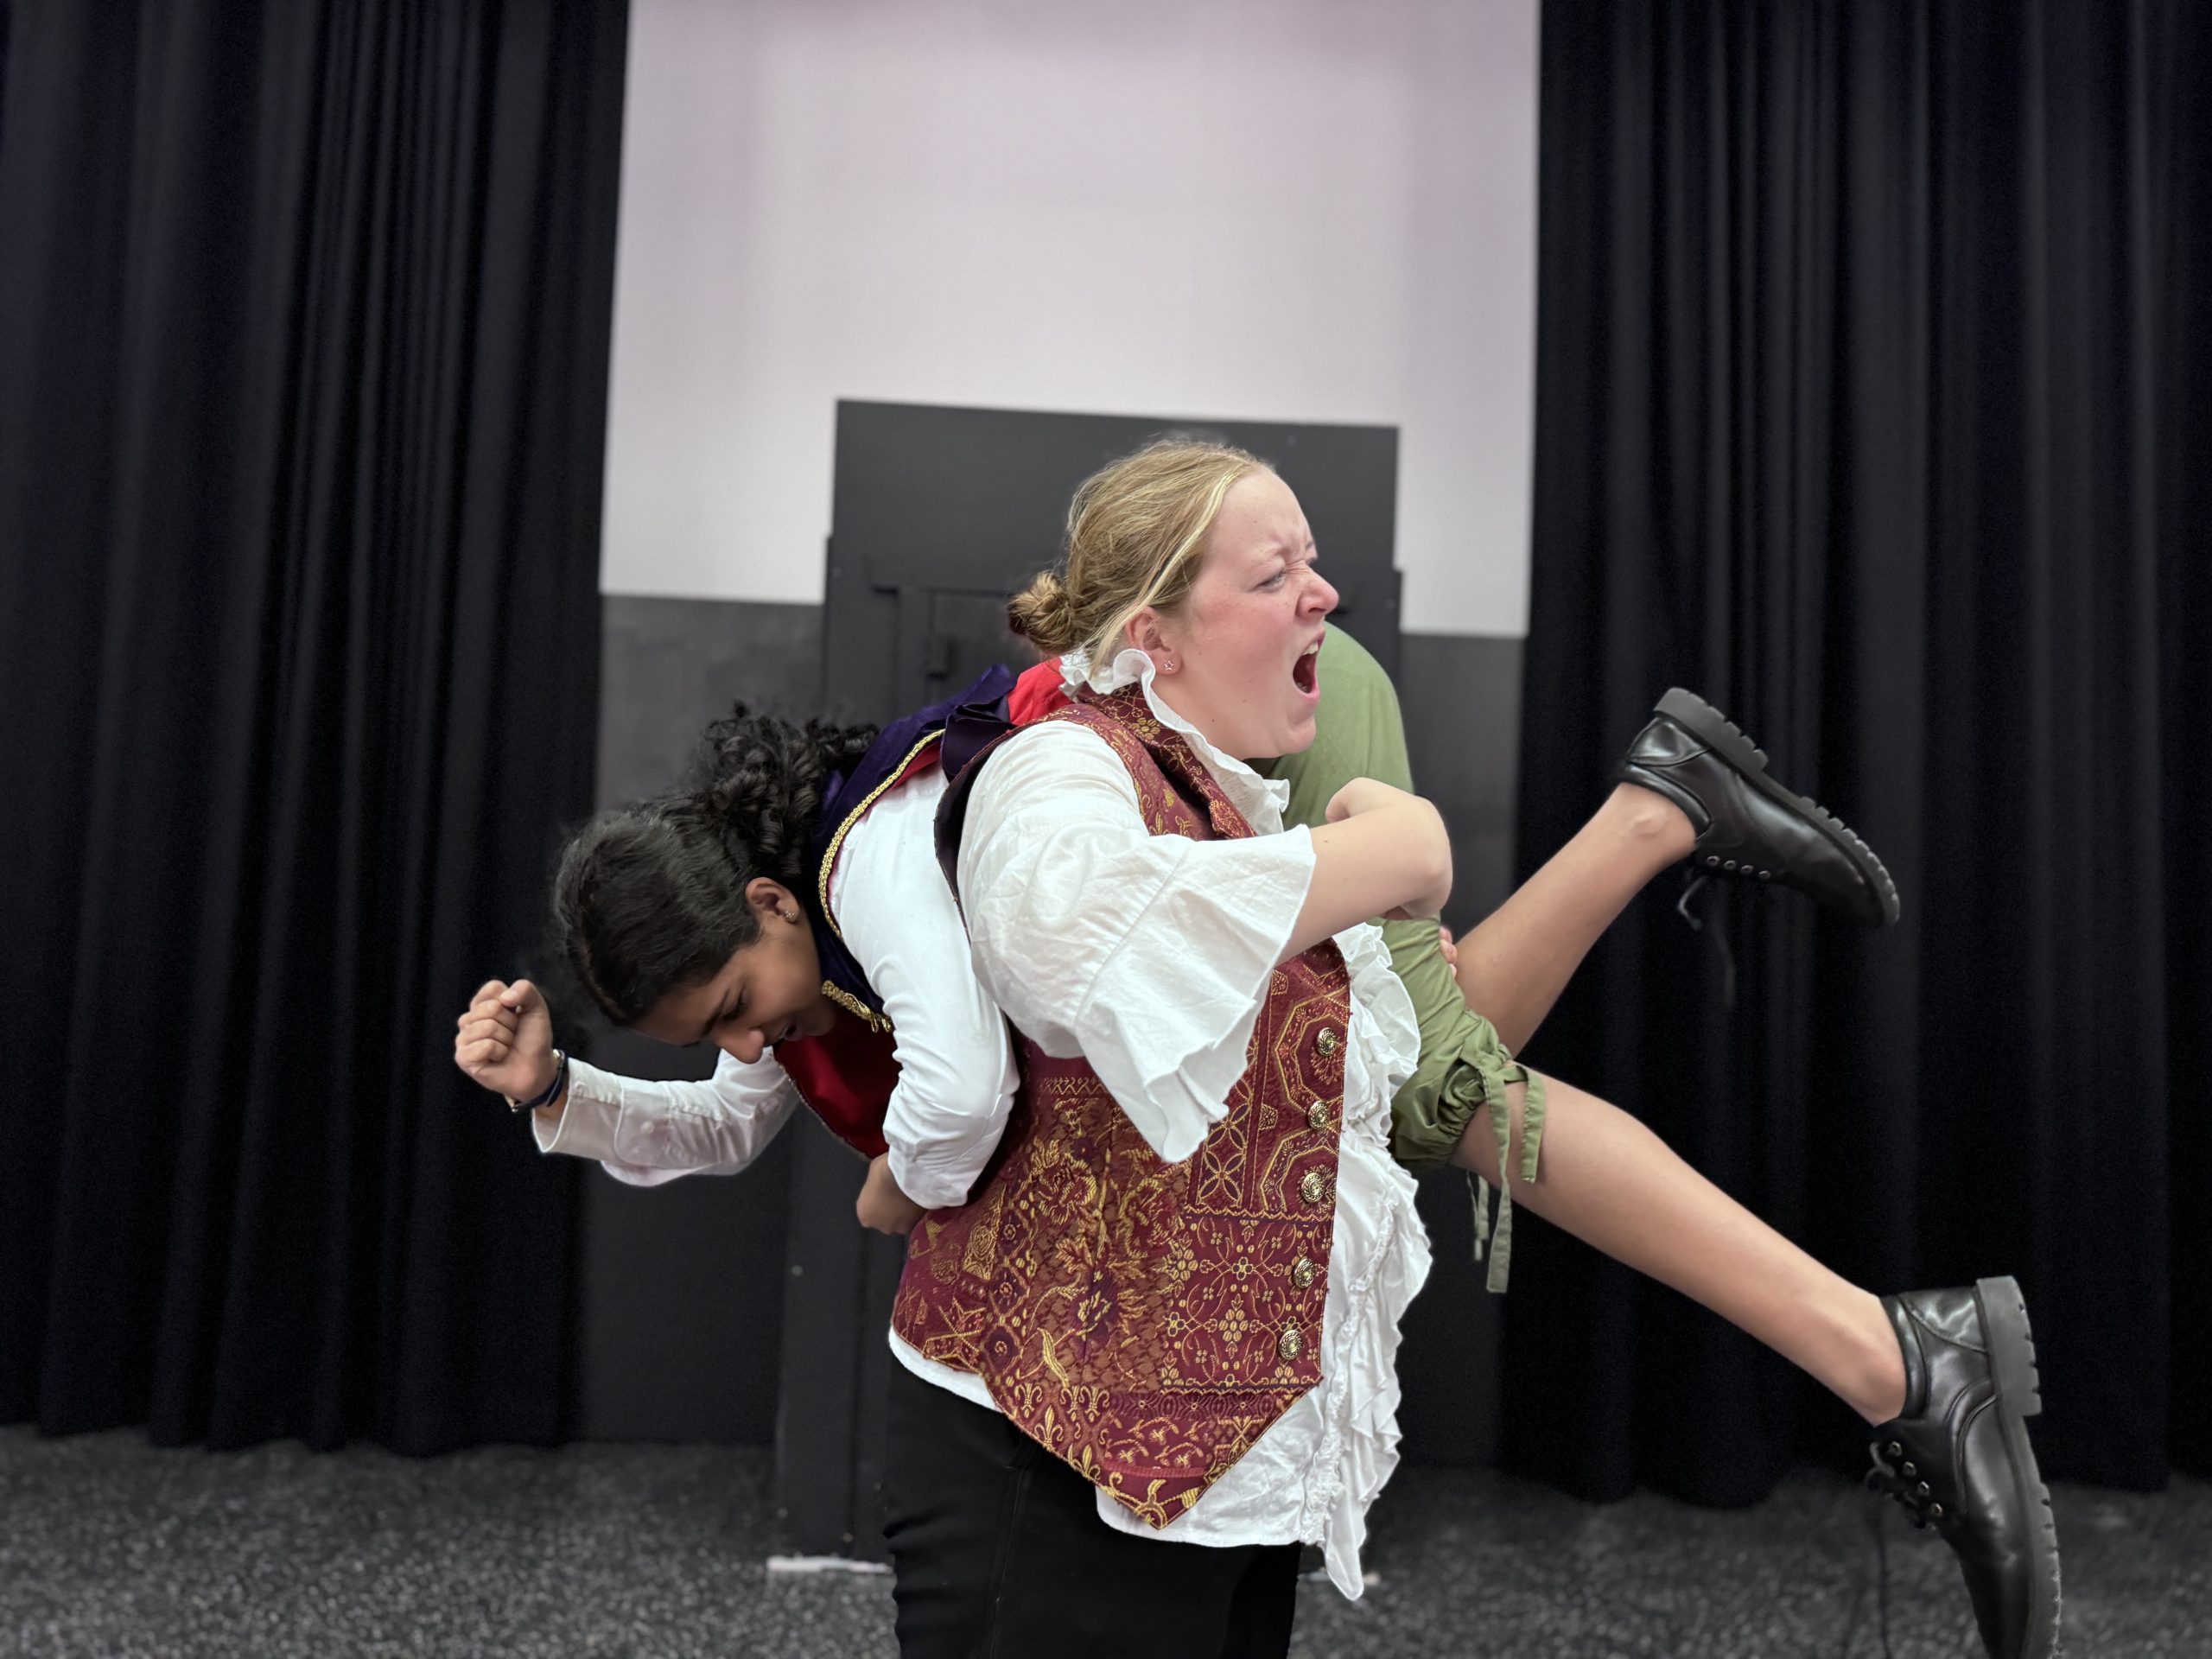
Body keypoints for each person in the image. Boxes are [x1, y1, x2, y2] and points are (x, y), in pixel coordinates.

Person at [879, 438, 2056, 1659]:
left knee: (1418, 1074)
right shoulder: (1063, 761)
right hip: (1055, 1461)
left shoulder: (1233, 778)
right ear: (1150, 636)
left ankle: (1664, 824)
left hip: (1188, 1473)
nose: (1323, 592)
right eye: (1277, 572)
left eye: (1313, 562)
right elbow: (1077, 940)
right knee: (1432, 1081)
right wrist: (1387, 856)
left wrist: (1355, 923)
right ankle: (1882, 1343)